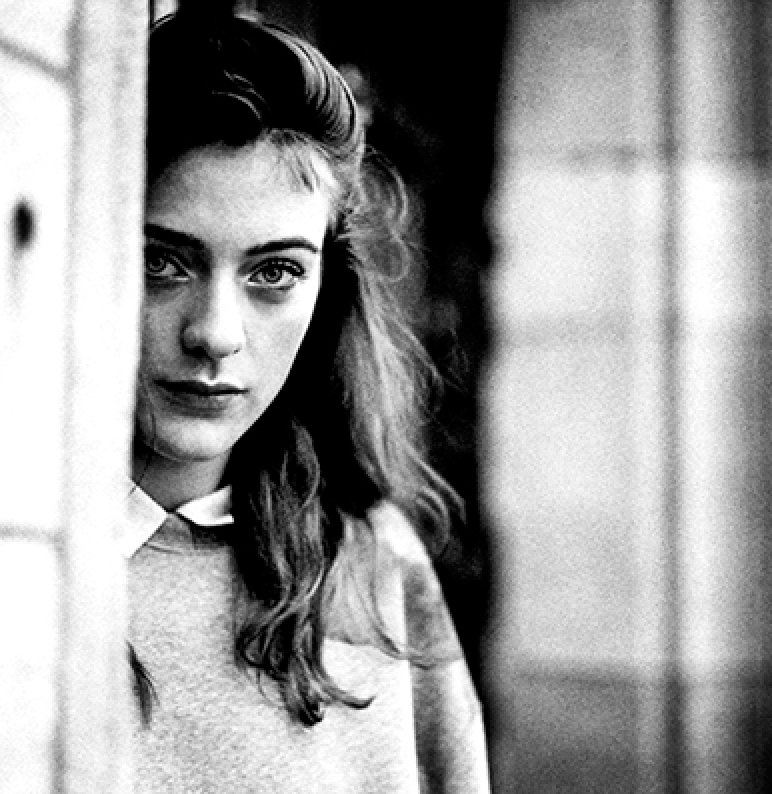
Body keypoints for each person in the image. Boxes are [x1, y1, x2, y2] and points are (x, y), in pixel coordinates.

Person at [126, 4, 489, 791]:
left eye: (274, 272)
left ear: (327, 291)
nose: (215, 334)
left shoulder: (376, 565)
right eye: (161, 263)